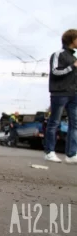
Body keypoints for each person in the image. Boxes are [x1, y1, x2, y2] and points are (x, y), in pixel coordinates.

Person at [44, 29, 77, 163]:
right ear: (72, 39)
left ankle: (71, 154)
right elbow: (55, 72)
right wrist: (72, 67)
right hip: (59, 93)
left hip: (73, 94)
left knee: (74, 124)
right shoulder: (58, 54)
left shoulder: (74, 57)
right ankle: (49, 152)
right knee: (54, 122)